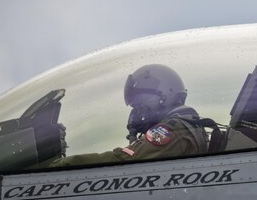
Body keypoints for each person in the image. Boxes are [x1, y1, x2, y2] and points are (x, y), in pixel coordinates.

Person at [46, 64, 210, 167]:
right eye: (134, 106)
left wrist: (58, 165)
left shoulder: (172, 130)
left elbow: (123, 161)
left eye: (140, 103)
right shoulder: (189, 126)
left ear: (165, 96)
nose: (137, 111)